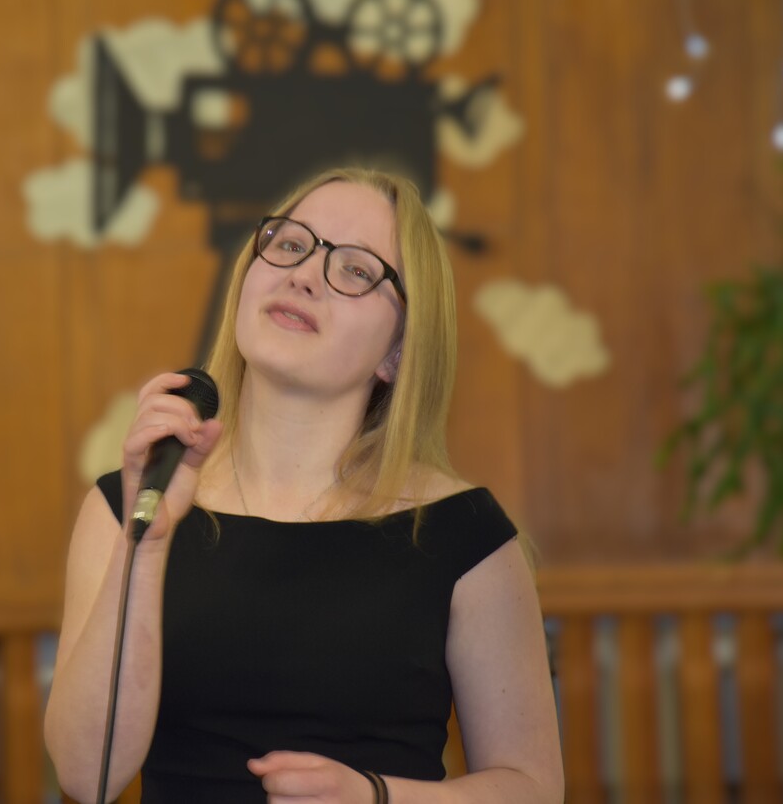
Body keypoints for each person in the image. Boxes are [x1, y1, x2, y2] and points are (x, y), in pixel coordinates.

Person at [44, 167, 564, 803]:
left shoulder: (466, 534)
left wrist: (376, 797)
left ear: (397, 352)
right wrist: (145, 545)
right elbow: (86, 777)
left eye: (355, 270)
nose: (305, 275)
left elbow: (532, 787)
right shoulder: (129, 505)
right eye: (291, 244)